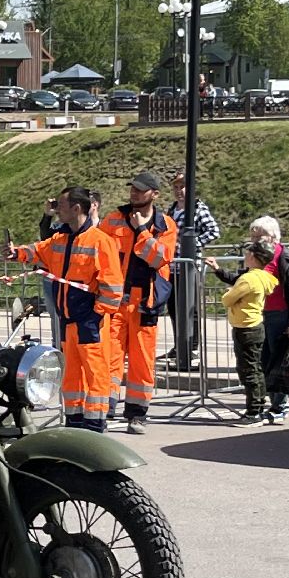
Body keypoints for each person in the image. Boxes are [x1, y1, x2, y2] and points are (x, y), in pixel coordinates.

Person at [7, 187, 124, 433]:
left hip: (90, 323)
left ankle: (94, 425)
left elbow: (112, 286)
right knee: (71, 376)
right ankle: (74, 422)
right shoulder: (61, 239)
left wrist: (96, 315)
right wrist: (15, 253)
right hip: (68, 321)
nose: (57, 209)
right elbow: (38, 251)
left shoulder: (101, 241)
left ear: (76, 209)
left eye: (61, 205)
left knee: (96, 374)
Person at [101, 171, 178, 434]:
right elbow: (99, 252)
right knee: (109, 357)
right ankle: (105, 410)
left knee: (141, 362)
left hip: (146, 302)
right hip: (117, 301)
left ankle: (137, 414)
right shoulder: (113, 219)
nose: (134, 193)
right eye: (132, 189)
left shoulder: (165, 224)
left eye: (140, 190)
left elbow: (158, 259)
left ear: (154, 194)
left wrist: (142, 231)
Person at [208, 216, 289, 423]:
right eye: (253, 235)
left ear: (272, 236)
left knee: (277, 361)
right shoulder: (256, 261)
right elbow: (240, 279)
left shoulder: (284, 256)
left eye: (259, 235)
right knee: (263, 361)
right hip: (259, 315)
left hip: (279, 313)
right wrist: (218, 271)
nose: (255, 240)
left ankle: (278, 406)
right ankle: (265, 404)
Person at [162, 171, 221, 370]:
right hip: (172, 265)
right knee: (173, 307)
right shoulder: (171, 210)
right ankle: (180, 345)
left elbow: (213, 230)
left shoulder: (197, 208)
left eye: (183, 187)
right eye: (176, 188)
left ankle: (192, 347)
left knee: (190, 308)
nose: (179, 192)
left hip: (188, 266)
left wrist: (192, 243)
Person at [221, 238, 280, 425]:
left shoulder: (248, 279)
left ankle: (254, 411)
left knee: (249, 370)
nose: (245, 256)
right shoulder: (263, 277)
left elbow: (228, 299)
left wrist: (229, 292)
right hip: (255, 325)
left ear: (254, 257)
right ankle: (259, 407)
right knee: (255, 368)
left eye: (248, 253)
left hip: (245, 327)